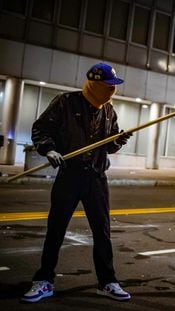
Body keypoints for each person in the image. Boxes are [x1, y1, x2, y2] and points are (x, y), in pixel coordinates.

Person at [21, 63, 133, 303]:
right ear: (94, 84)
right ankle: (44, 281)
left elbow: (108, 146)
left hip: (96, 178)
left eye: (114, 87)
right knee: (56, 229)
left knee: (102, 232)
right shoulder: (65, 103)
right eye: (108, 86)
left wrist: (119, 140)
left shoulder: (109, 111)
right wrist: (48, 150)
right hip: (69, 175)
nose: (112, 91)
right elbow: (41, 129)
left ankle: (107, 282)